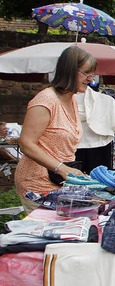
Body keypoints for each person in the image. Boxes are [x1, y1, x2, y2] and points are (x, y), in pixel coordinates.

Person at [15, 46, 96, 214]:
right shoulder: (46, 100)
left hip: (58, 183)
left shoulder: (71, 99)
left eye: (92, 74)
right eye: (86, 73)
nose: (91, 78)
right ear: (70, 71)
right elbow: (26, 143)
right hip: (37, 185)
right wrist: (62, 168)